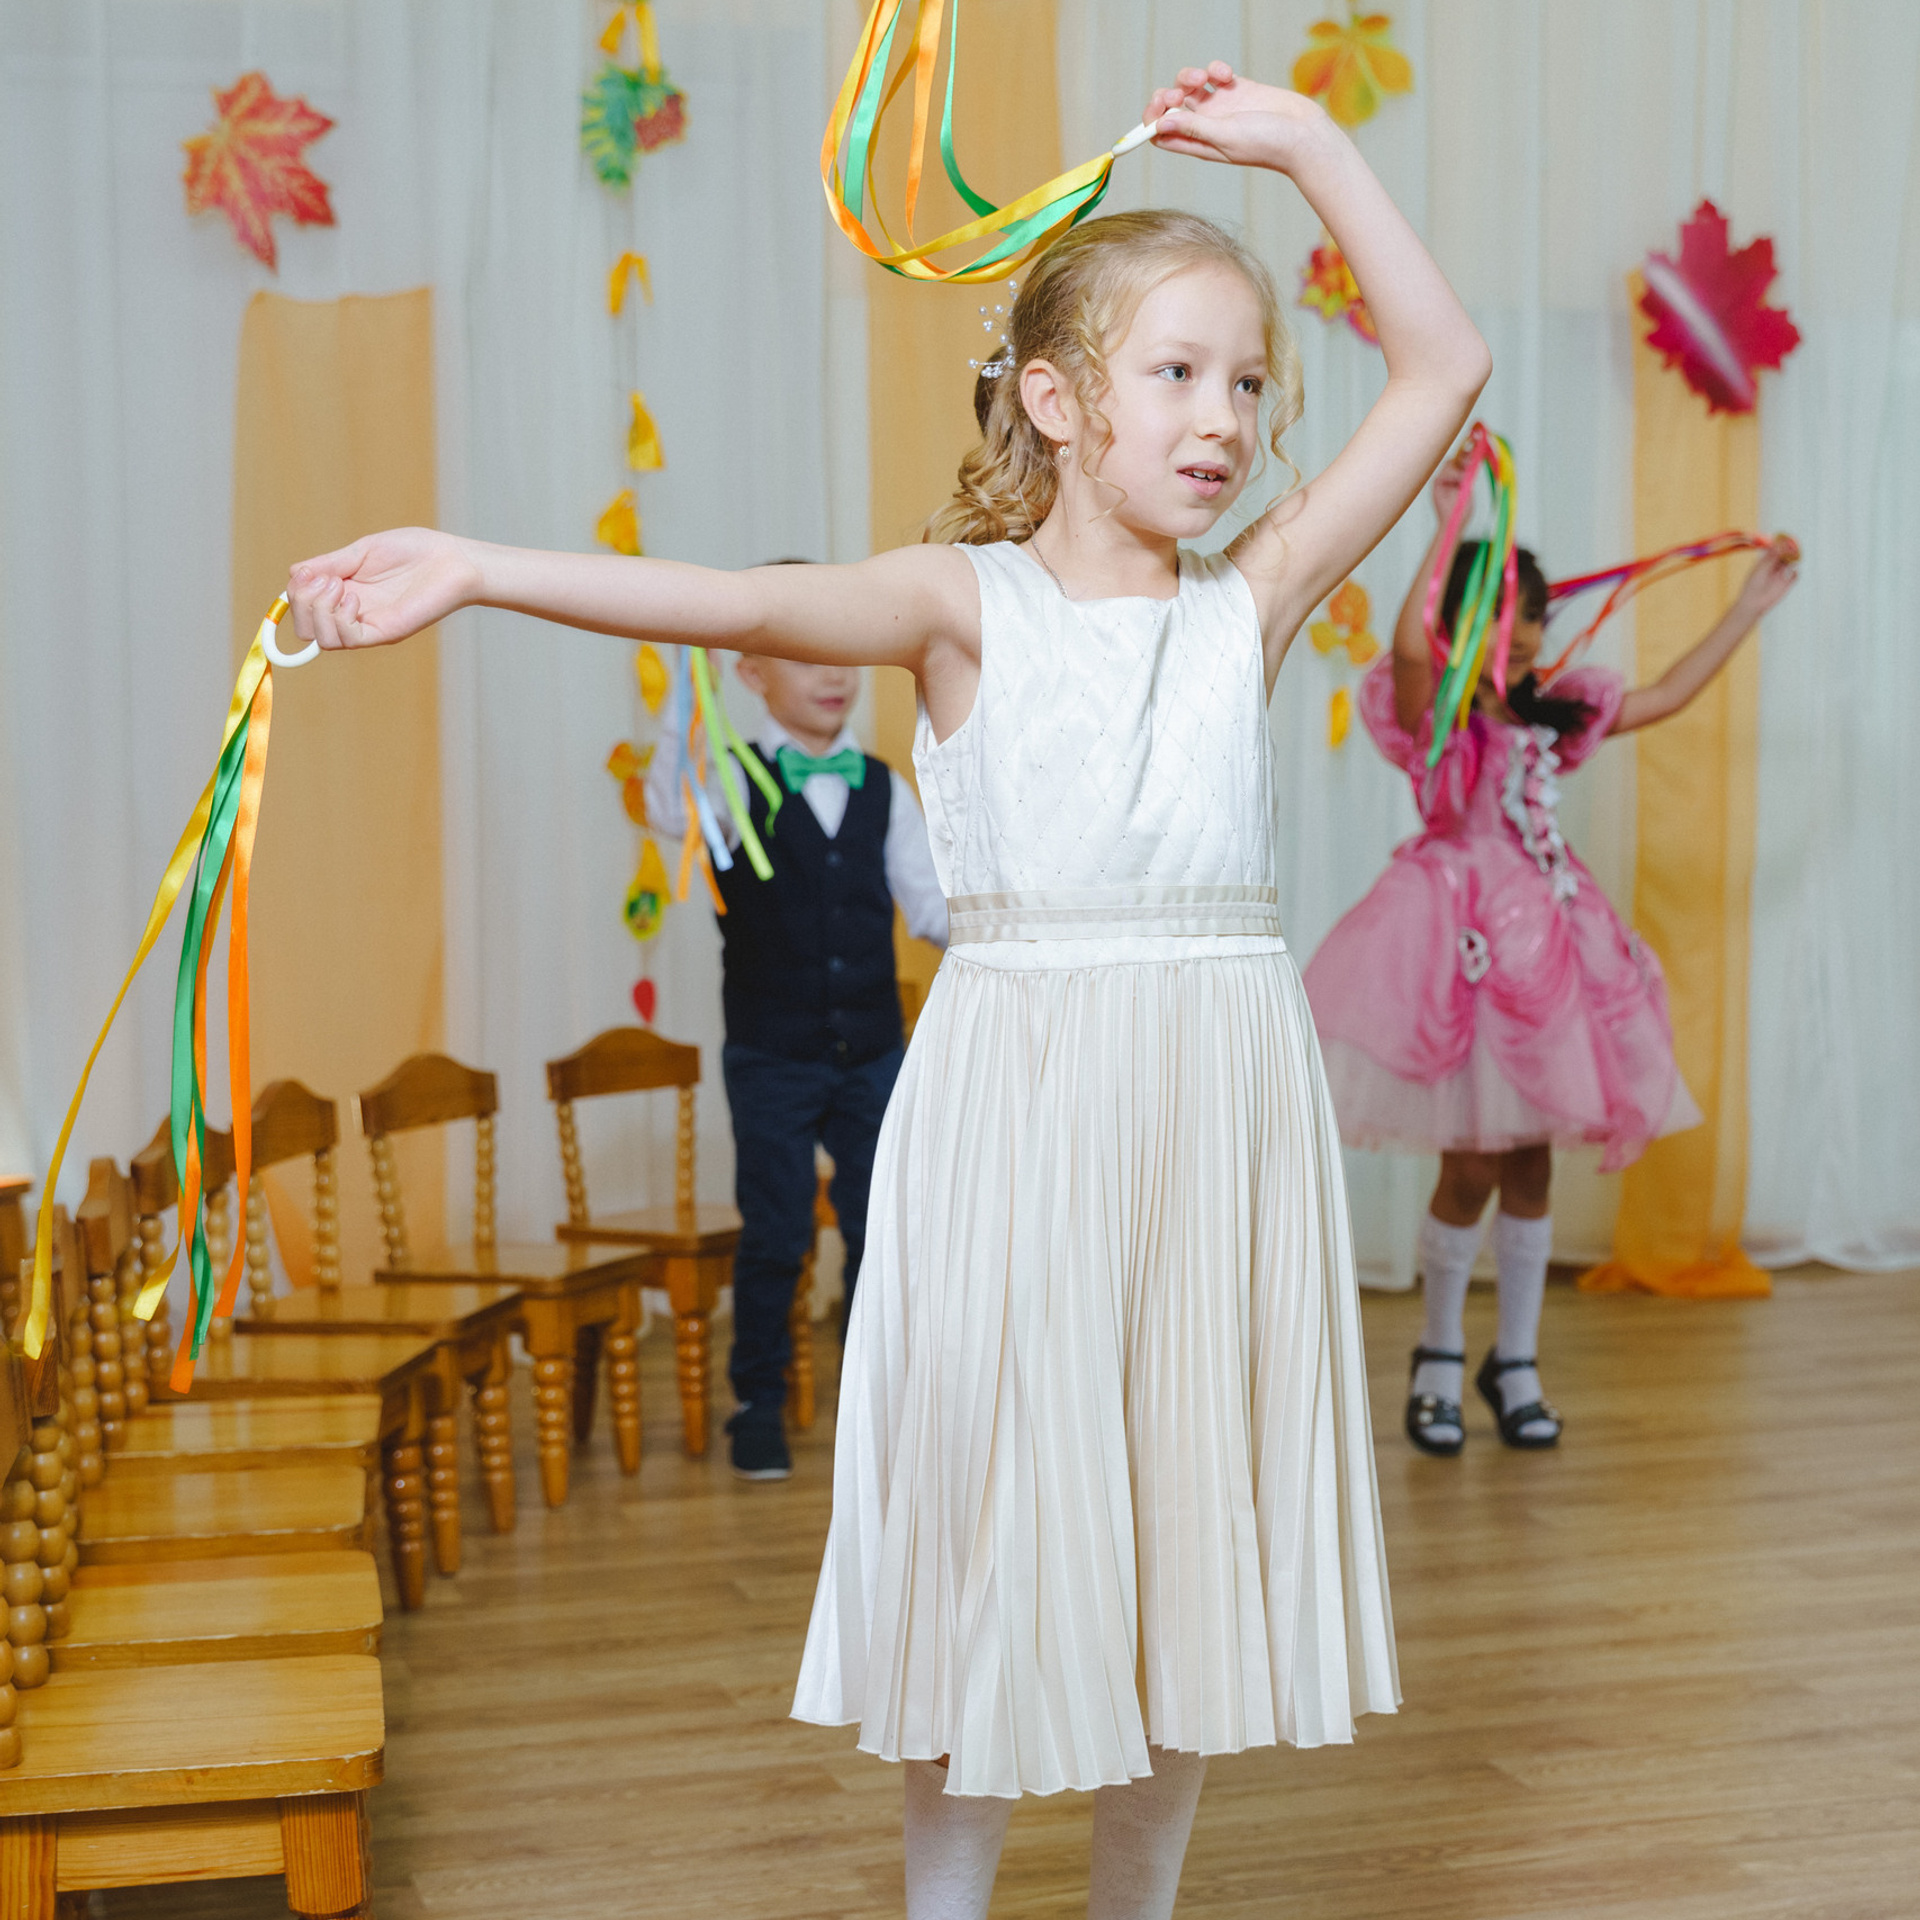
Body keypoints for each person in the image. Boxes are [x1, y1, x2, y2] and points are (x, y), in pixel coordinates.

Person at [284, 61, 1490, 1920]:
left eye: (1249, 380)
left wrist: (1316, 148)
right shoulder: (959, 605)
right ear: (1058, 398)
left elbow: (1443, 368)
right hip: (1021, 1107)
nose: (1227, 417)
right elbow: (738, 608)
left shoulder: (1243, 605)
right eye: (1175, 372)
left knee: (1177, 1533)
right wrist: (477, 569)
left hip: (1212, 1114)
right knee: (995, 1525)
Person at [1304, 445, 1800, 1457]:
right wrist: (1446, 527)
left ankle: (1514, 1358)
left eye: (1536, 615)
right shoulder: (1434, 720)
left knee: (1533, 1168)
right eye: (1506, 611)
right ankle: (1438, 1354)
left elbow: (1662, 694)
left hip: (1555, 952)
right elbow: (1408, 646)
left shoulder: (1552, 716)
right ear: (1464, 619)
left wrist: (1749, 608)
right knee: (1472, 1166)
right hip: (1462, 946)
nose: (1528, 632)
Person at [643, 628, 948, 1482]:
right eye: (806, 655)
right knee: (776, 1233)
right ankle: (758, 1405)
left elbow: (930, 907)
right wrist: (684, 671)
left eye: (844, 653)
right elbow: (667, 806)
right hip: (771, 1057)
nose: (833, 673)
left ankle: (875, 1412)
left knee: (879, 1230)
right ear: (749, 672)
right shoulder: (728, 780)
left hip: (874, 1056)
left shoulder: (885, 788)